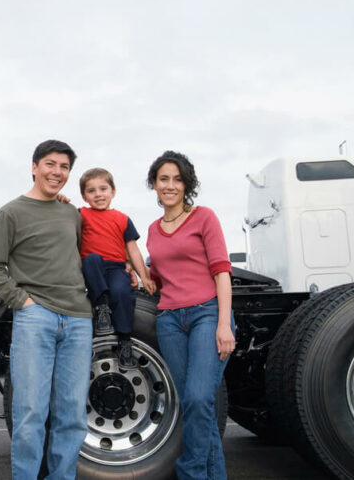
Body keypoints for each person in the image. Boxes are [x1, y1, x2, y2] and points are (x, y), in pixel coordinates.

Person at [0, 139, 92, 480]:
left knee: (72, 414)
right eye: (50, 164)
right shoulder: (9, 214)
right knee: (30, 412)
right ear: (34, 166)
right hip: (36, 318)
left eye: (64, 167)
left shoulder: (71, 212)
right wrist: (24, 303)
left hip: (78, 319)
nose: (57, 172)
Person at [145, 150, 236, 480]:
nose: (170, 185)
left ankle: (191, 472)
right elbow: (158, 279)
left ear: (187, 184)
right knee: (194, 405)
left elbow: (221, 272)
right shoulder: (154, 229)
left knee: (199, 398)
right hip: (169, 320)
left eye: (177, 179)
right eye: (164, 179)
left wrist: (224, 324)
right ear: (154, 185)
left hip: (206, 314)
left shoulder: (204, 217)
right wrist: (138, 274)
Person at [77, 168, 156, 370]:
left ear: (113, 191)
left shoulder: (122, 219)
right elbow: (61, 218)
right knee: (92, 259)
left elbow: (133, 250)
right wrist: (60, 200)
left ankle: (124, 340)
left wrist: (144, 277)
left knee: (122, 292)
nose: (98, 194)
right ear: (84, 196)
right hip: (92, 268)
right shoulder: (80, 214)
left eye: (103, 189)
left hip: (115, 268)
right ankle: (101, 307)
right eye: (91, 191)